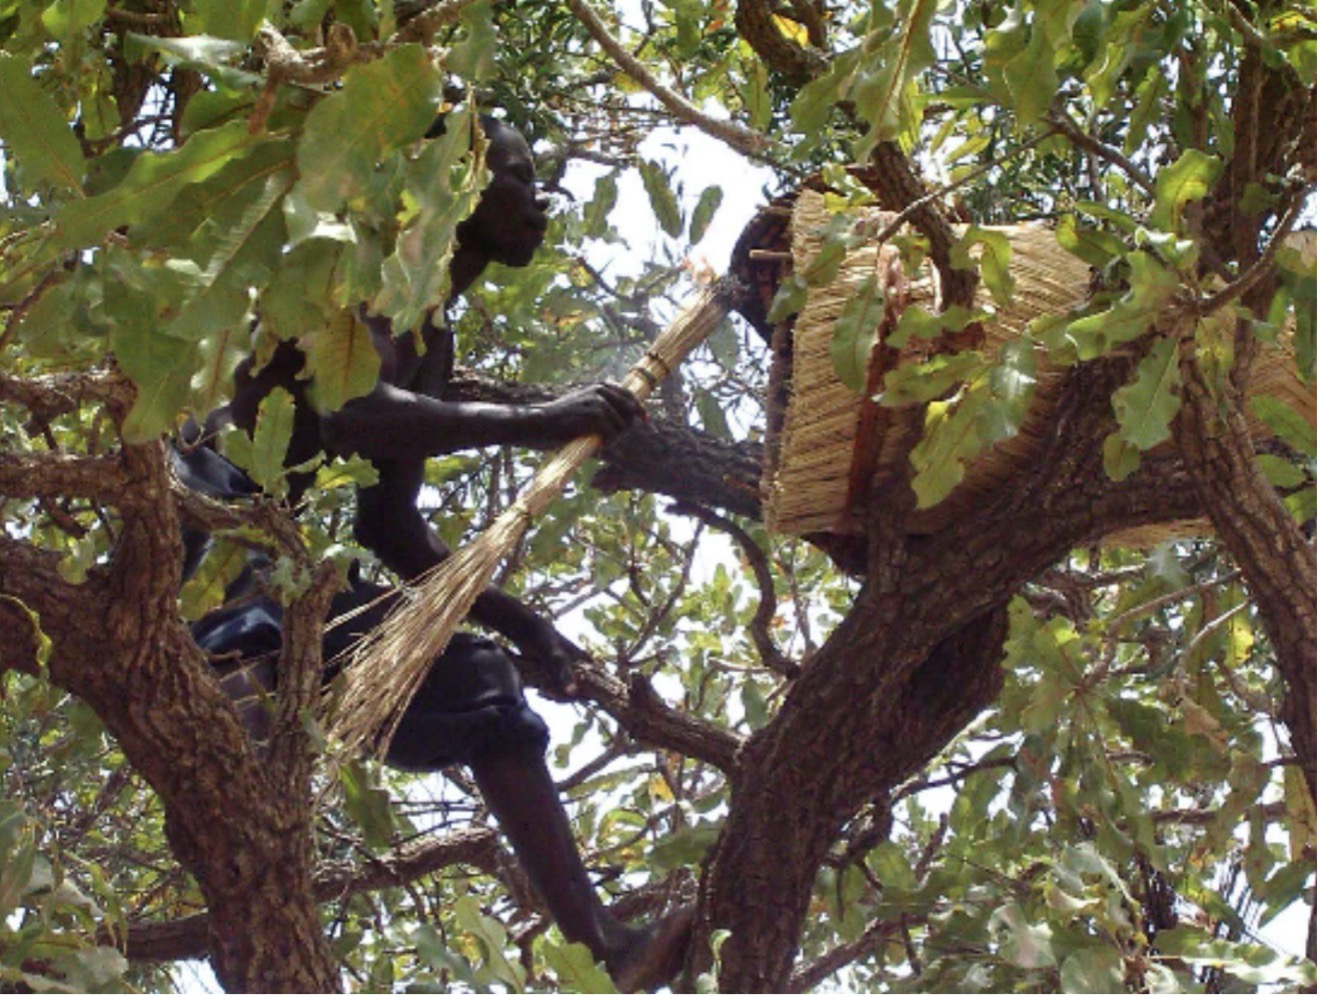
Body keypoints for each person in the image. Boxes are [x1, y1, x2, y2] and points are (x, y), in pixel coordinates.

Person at [182, 113, 690, 991]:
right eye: (523, 178)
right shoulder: (358, 268)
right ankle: (237, 842)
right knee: (254, 668)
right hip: (205, 527)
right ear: (457, 182)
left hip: (277, 570)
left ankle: (607, 946)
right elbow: (352, 410)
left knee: (480, 681)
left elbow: (392, 530)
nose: (543, 201)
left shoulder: (432, 341)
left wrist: (521, 619)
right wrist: (536, 420)